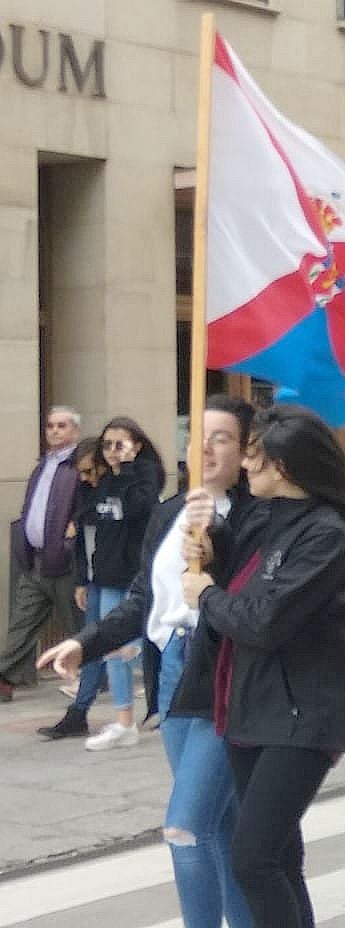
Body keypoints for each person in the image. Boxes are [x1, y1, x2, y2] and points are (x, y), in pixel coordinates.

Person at [40, 395, 257, 926]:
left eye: (221, 437)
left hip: (225, 678)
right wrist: (84, 643)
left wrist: (217, 540)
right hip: (173, 677)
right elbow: (143, 599)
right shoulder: (168, 513)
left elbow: (254, 604)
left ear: (248, 450)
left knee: (185, 827)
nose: (204, 447)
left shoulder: (258, 516)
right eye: (197, 434)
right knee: (221, 824)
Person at [177, 404, 345, 926]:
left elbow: (265, 620)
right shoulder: (268, 519)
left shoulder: (327, 537)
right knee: (281, 858)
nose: (245, 466)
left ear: (284, 469)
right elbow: (247, 578)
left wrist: (207, 595)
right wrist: (210, 550)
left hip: (305, 714)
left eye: (255, 459)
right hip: (254, 706)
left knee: (254, 859)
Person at [75, 416, 166, 749]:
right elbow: (94, 526)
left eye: (120, 444)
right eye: (108, 444)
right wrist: (84, 578)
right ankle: (125, 720)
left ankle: (133, 719)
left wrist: (126, 469)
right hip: (105, 572)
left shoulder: (144, 476)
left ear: (137, 445)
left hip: (133, 572)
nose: (112, 451)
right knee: (113, 646)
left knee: (124, 644)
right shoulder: (104, 480)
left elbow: (134, 509)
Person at [0, 407, 83, 702]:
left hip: (64, 562)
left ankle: (94, 678)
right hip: (35, 559)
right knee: (22, 622)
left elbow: (86, 508)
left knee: (77, 625)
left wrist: (70, 542)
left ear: (74, 430)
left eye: (62, 426)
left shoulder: (79, 466)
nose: (55, 431)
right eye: (50, 426)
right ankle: (5, 677)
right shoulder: (43, 465)